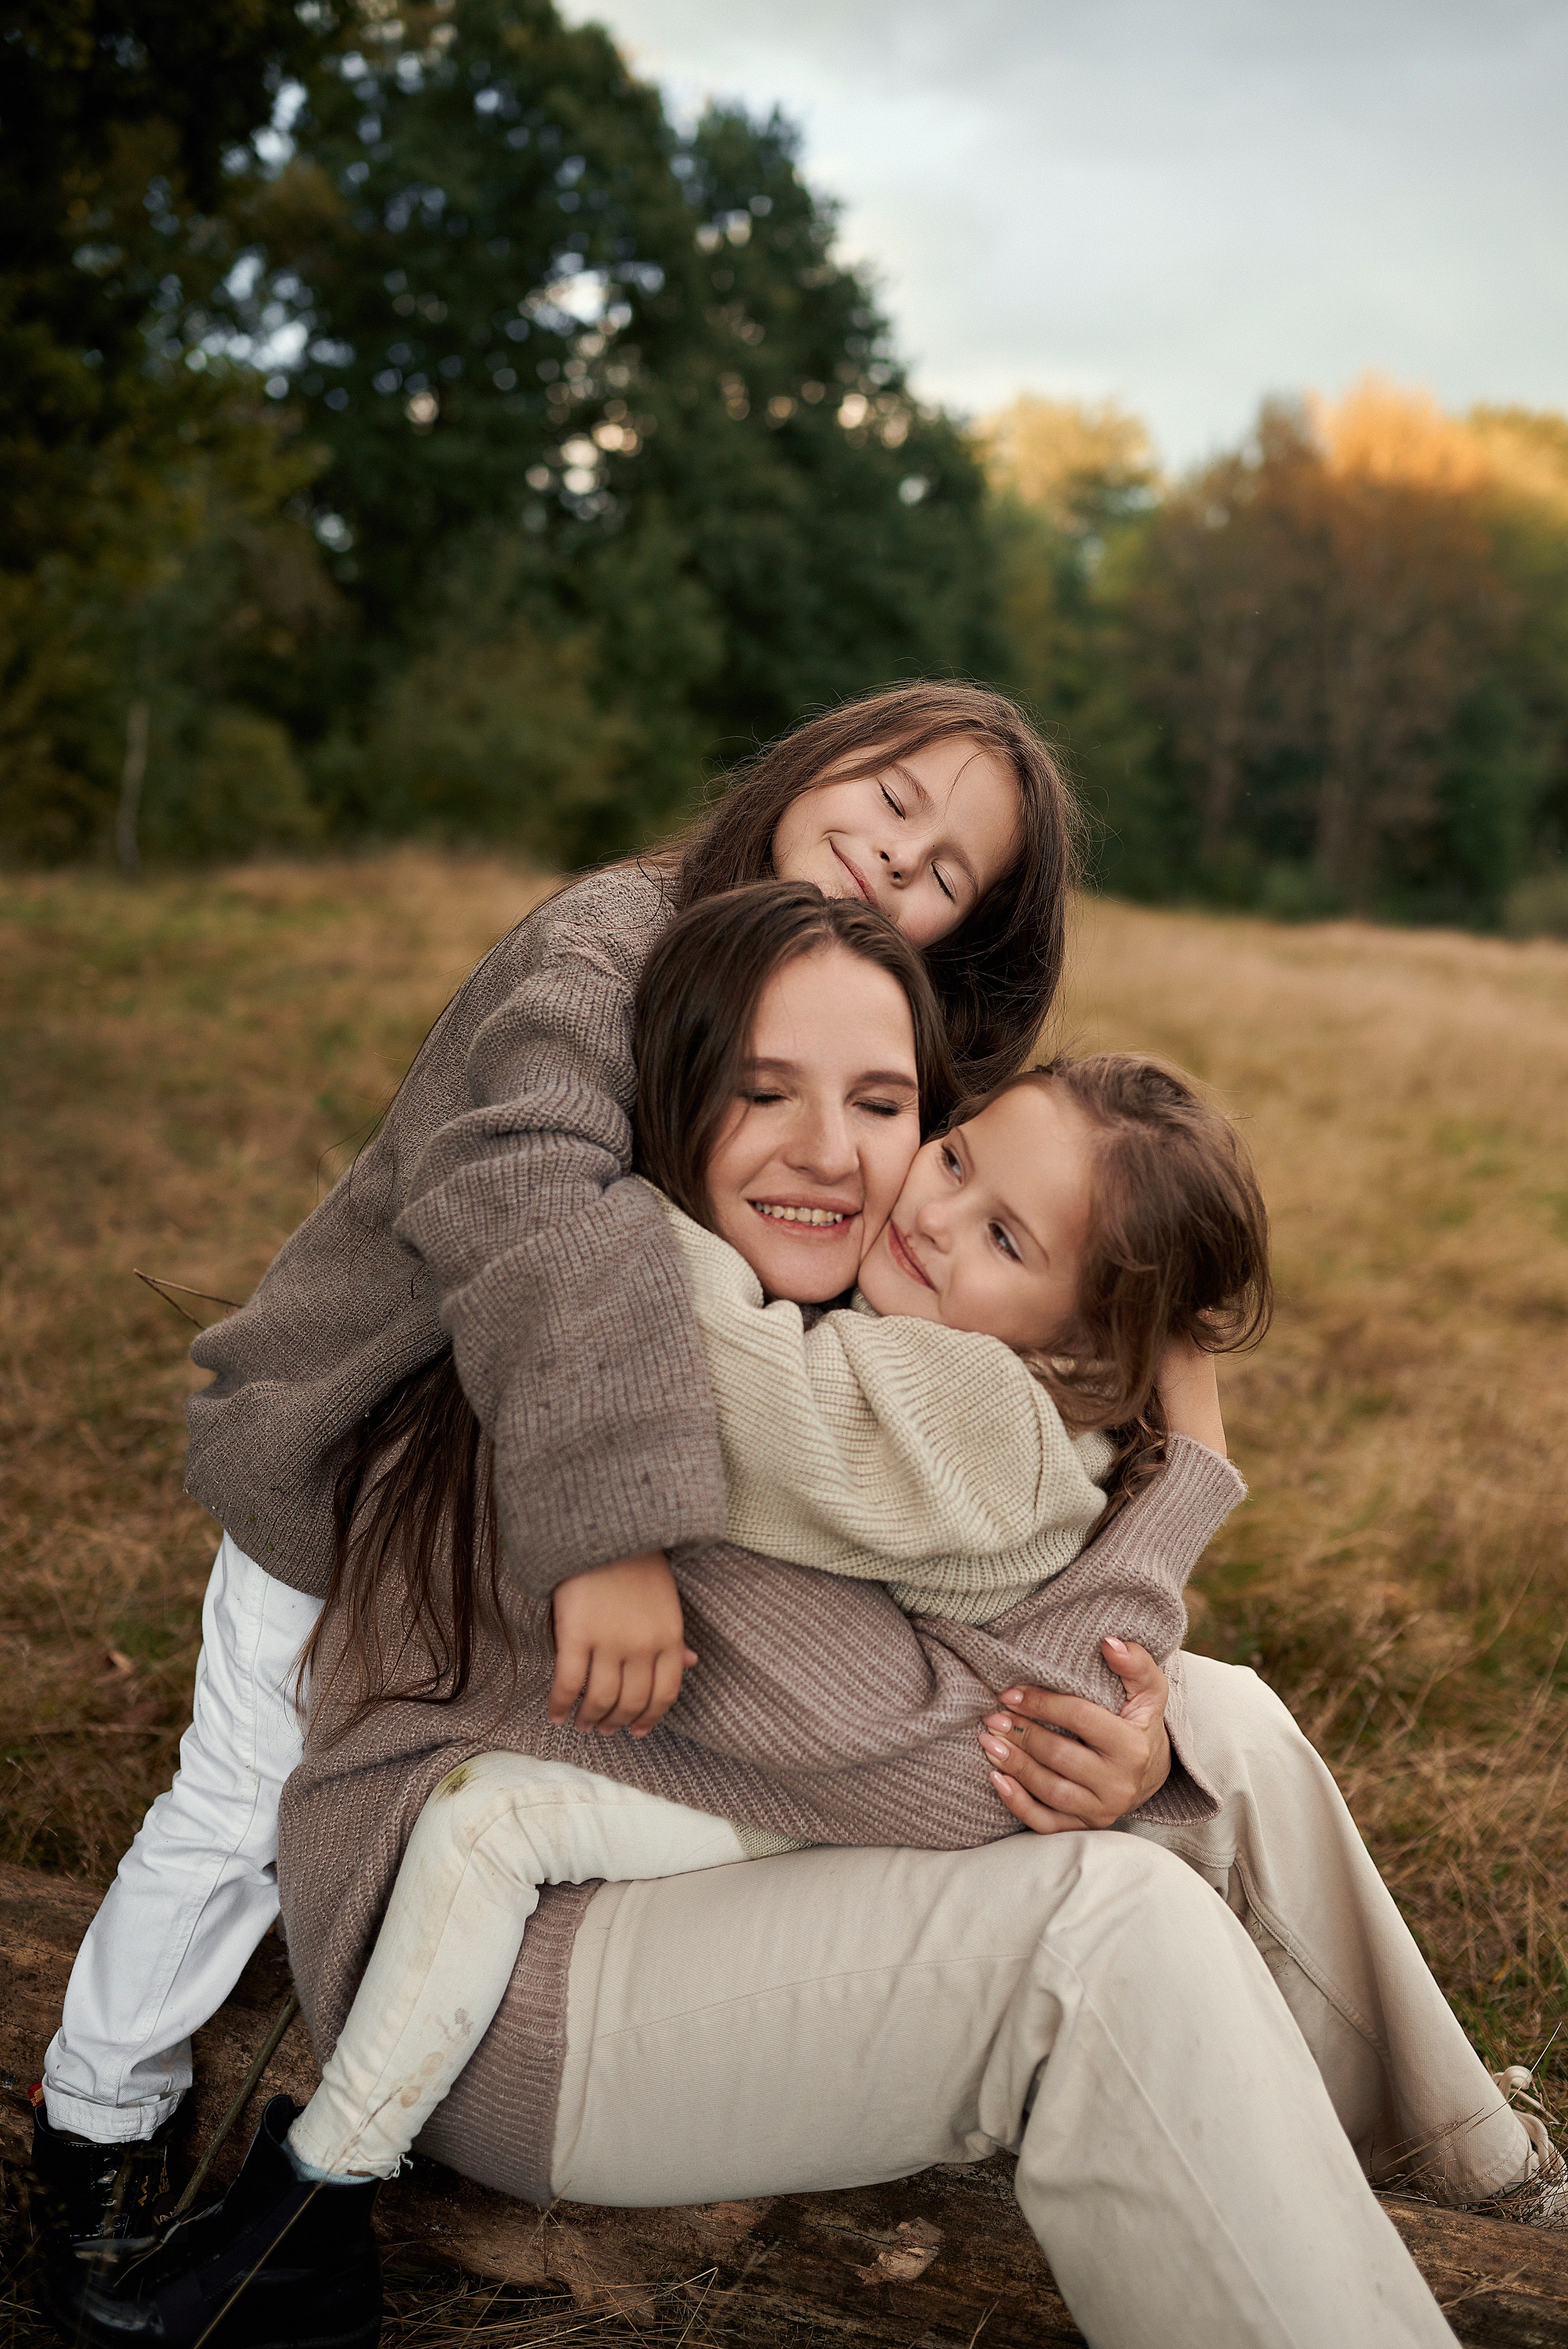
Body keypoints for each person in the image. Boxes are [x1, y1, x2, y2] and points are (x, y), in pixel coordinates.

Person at [39, 891, 1494, 2347]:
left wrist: (1130, 1721)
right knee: (1116, 1924)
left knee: (1211, 1708)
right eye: (762, 1091)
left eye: (886, 1104)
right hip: (518, 1979)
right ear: (653, 1100)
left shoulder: (850, 1343)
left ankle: (1465, 2167)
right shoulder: (620, 1362)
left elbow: (984, 1669)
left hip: (714, 1856)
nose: (841, 1160)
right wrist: (1136, 1693)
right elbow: (942, 1768)